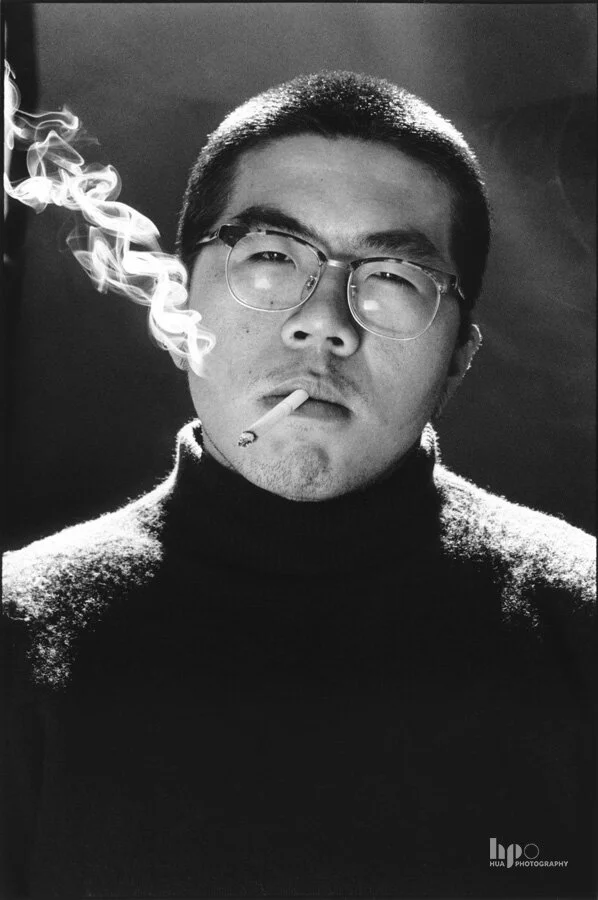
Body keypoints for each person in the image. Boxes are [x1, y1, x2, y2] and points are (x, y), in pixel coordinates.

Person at [3, 71, 595, 899]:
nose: (324, 322)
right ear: (180, 295)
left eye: (394, 276)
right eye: (274, 257)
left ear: (461, 355)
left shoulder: (581, 625)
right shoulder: (16, 637)